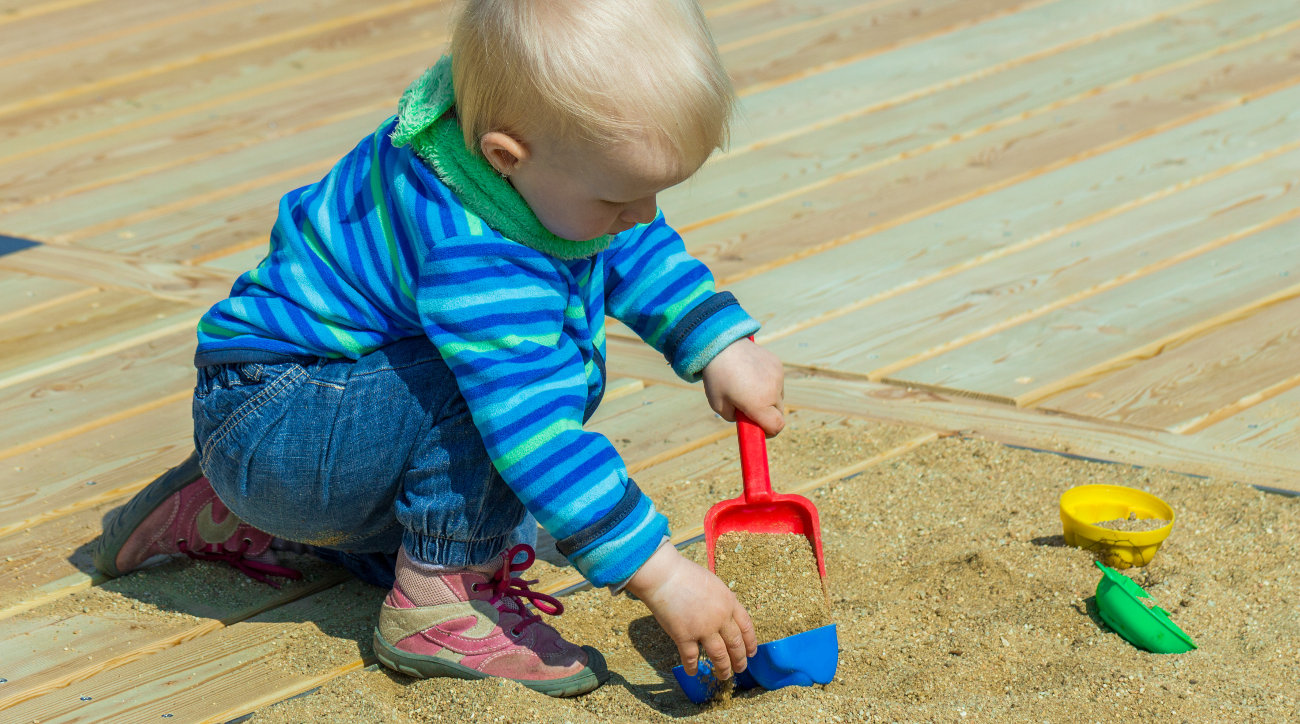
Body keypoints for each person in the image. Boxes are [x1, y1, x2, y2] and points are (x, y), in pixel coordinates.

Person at [94, 0, 784, 697]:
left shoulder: (505, 138)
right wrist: (662, 574)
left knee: (500, 423)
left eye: (654, 192)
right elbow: (533, 432)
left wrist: (717, 342)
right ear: (505, 157)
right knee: (499, 394)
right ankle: (439, 598)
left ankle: (245, 505)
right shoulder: (479, 254)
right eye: (618, 199)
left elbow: (618, 239)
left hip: (273, 409)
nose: (642, 216)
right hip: (280, 422)